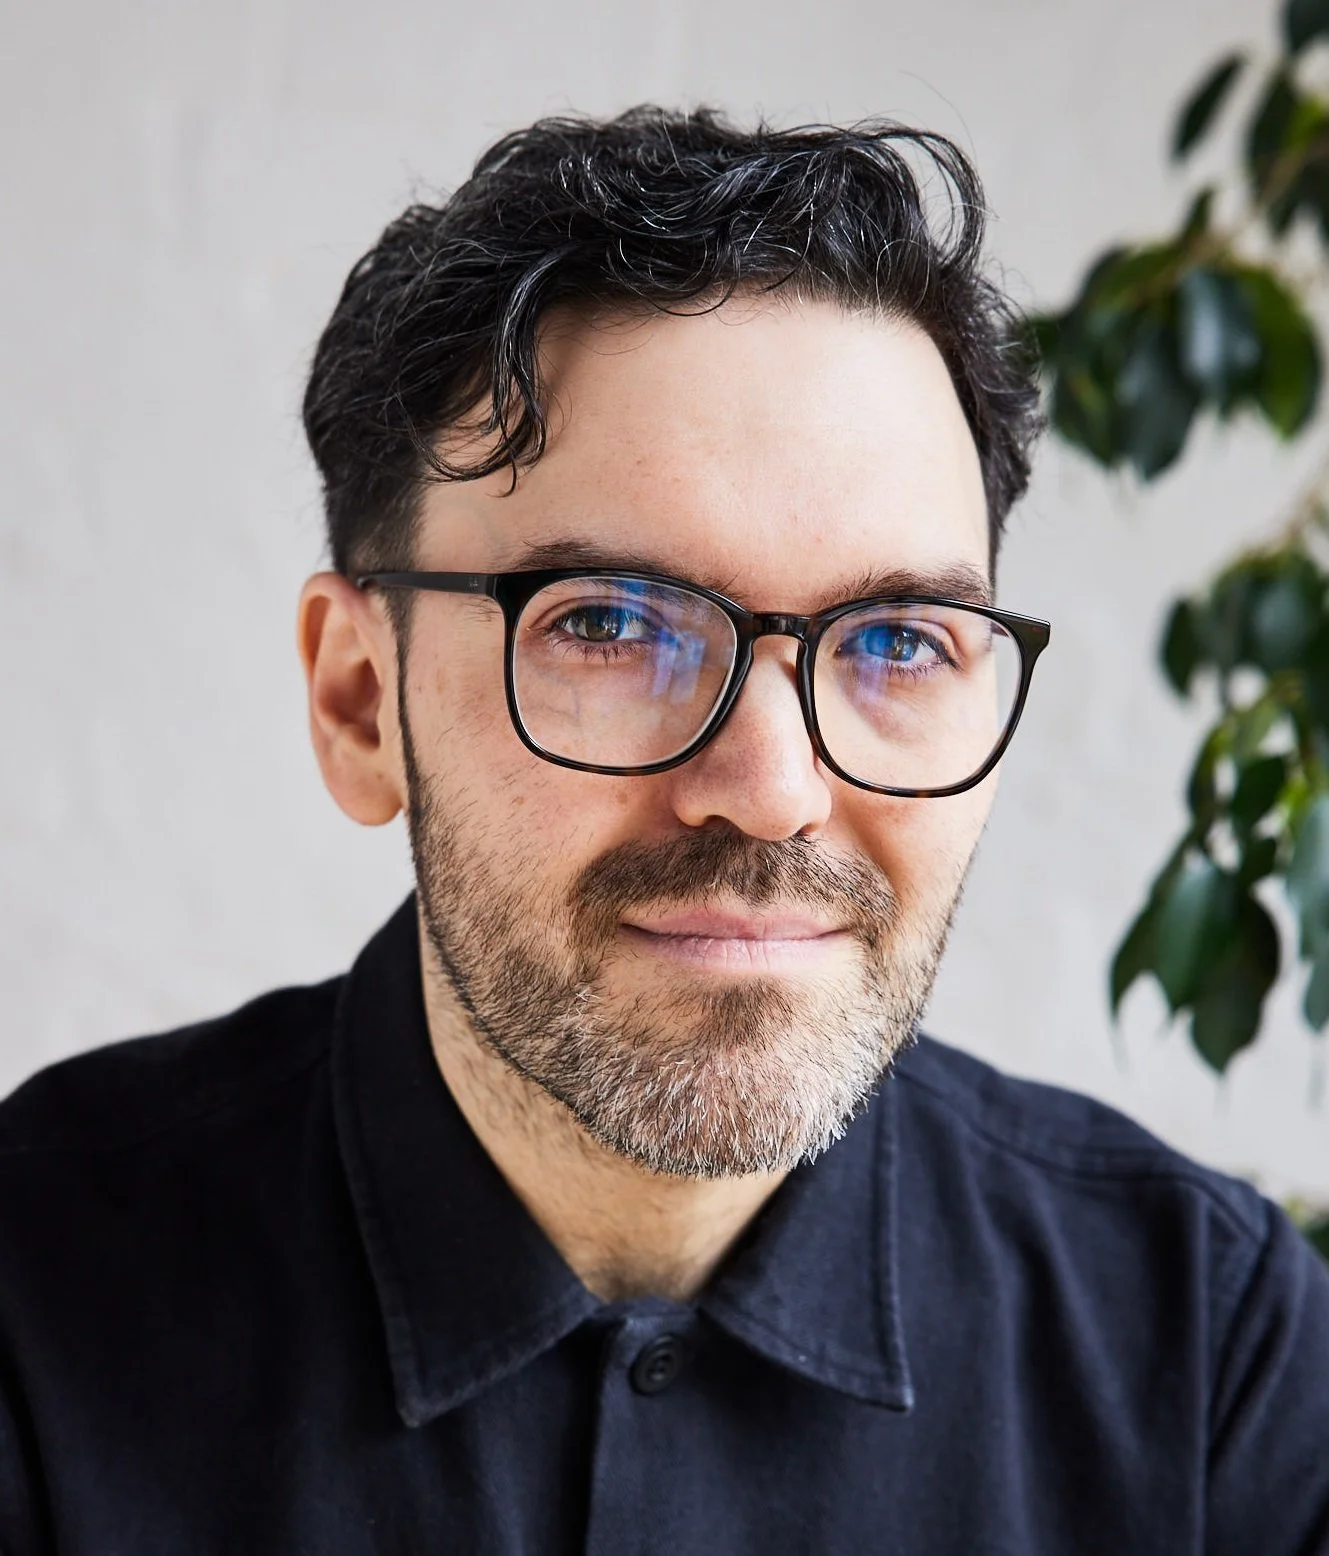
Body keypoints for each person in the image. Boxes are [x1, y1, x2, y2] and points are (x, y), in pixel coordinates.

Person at [1, 107, 1325, 1556]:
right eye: (612, 626)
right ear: (362, 701)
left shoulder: (1217, 1357)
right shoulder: (34, 1303)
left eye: (898, 640)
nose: (771, 787)